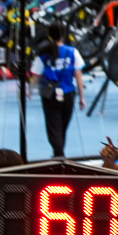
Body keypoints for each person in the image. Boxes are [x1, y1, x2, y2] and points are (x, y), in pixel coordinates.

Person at [32, 23, 81, 159]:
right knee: (62, 128)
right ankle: (59, 154)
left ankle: (59, 155)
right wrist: (82, 97)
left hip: (50, 95)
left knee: (54, 128)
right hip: (68, 94)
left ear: (49, 35)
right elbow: (78, 76)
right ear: (64, 34)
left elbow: (36, 75)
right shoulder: (72, 52)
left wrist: (30, 90)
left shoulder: (43, 53)